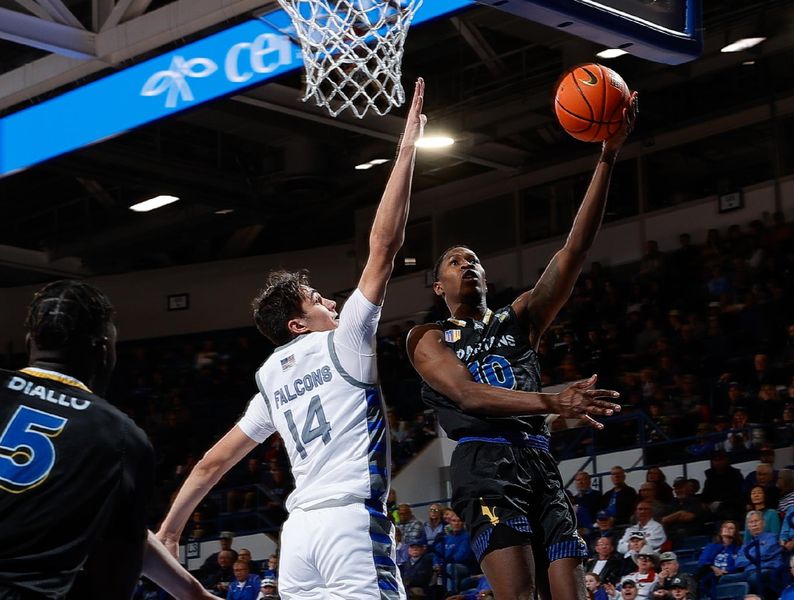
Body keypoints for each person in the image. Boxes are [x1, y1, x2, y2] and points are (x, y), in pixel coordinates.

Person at [157, 79, 428, 600]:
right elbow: (384, 245)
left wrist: (170, 529)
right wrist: (407, 147)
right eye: (317, 299)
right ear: (297, 325)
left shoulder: (269, 380)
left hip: (299, 536)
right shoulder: (346, 339)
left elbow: (211, 464)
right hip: (350, 522)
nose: (331, 301)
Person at [406, 93, 638, 600]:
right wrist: (557, 402)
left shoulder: (520, 318)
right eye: (455, 261)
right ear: (438, 287)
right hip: (484, 468)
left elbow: (575, 249)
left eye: (474, 259)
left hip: (539, 463)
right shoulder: (427, 338)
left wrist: (607, 157)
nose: (468, 264)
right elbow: (468, 397)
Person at [0, 280, 214, 600]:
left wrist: (194, 593)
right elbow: (118, 565)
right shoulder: (120, 435)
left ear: (31, 340)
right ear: (104, 351)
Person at [696, 520, 741, 598]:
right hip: (710, 571)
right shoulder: (712, 546)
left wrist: (725, 571)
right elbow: (702, 561)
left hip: (726, 574)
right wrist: (714, 568)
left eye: (731, 528)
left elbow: (738, 565)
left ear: (735, 533)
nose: (727, 529)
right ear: (721, 531)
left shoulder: (739, 549)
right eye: (725, 527)